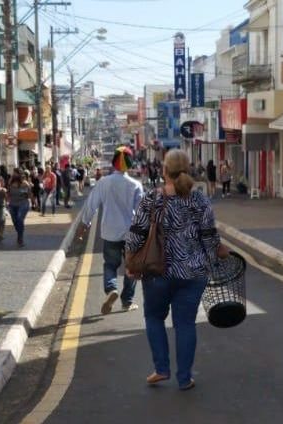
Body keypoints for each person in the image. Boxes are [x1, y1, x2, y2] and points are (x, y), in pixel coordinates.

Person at [125, 149, 227, 391]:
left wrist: (130, 264)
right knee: (185, 324)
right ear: (187, 170)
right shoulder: (200, 200)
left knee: (153, 317)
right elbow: (210, 237)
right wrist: (216, 260)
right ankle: (184, 378)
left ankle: (161, 369)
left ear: (164, 171)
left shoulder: (152, 199)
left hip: (156, 272)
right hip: (193, 274)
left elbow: (135, 236)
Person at [78, 146, 144, 314]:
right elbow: (142, 212)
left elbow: (90, 205)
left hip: (110, 232)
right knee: (132, 266)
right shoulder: (136, 185)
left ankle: (111, 288)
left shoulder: (104, 182)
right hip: (131, 233)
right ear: (129, 164)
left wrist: (83, 225)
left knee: (110, 265)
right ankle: (127, 301)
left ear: (114, 163)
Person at [7, 169, 33, 247]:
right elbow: (8, 193)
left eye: (15, 174)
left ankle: (20, 238)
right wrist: (7, 202)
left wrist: (28, 190)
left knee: (19, 218)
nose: (13, 175)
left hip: (23, 204)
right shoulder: (10, 182)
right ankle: (19, 233)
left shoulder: (25, 183)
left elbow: (29, 195)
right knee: (15, 221)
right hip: (12, 204)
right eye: (13, 173)